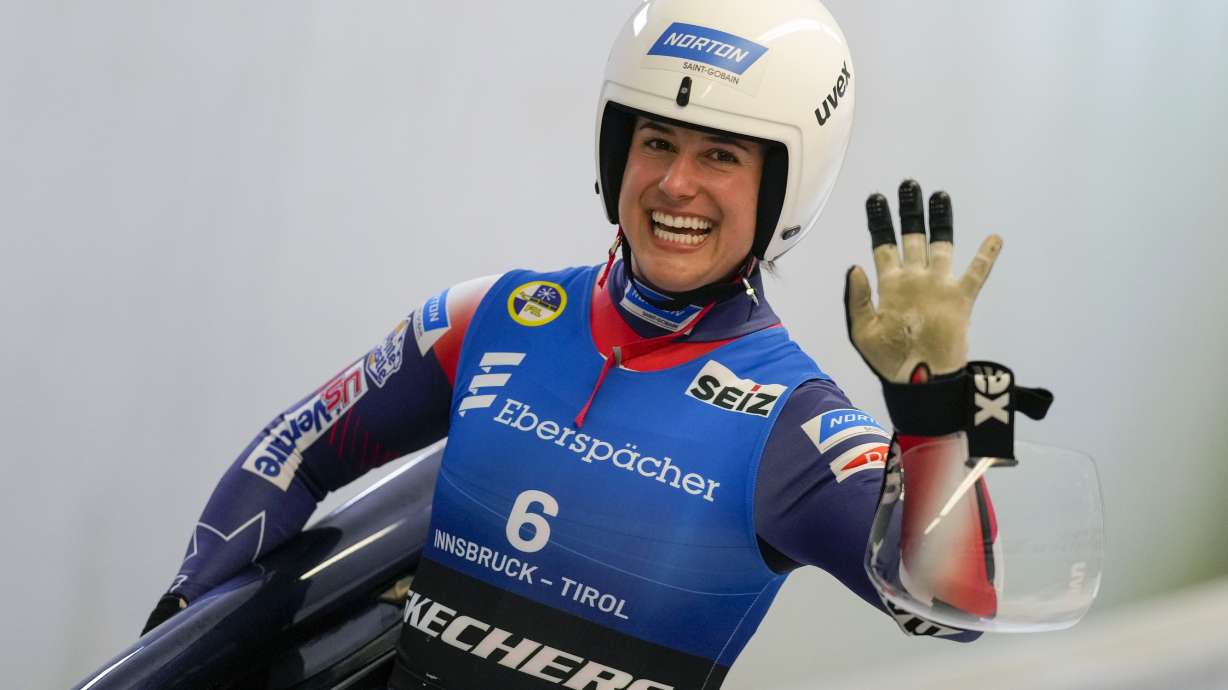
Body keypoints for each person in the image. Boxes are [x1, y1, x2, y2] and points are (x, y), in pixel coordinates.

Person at [141, 1, 1010, 688]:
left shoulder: (794, 425)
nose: (676, 183)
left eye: (721, 157)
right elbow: (294, 452)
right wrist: (178, 644)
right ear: (615, 148)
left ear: (782, 188)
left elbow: (958, 607)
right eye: (657, 141)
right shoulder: (495, 315)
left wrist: (946, 399)